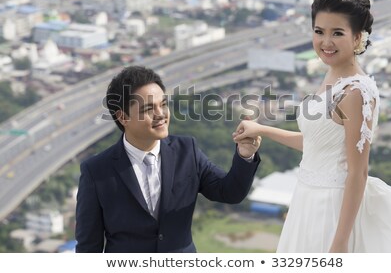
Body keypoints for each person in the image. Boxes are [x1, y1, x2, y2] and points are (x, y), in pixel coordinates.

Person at [233, 0, 391, 252]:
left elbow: (358, 173)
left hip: (333, 209)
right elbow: (318, 145)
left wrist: (340, 242)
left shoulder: (356, 91)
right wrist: (262, 129)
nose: (326, 42)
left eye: (337, 33)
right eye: (319, 32)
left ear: (358, 37)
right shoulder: (333, 75)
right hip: (306, 199)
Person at [75, 66, 261, 253]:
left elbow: (230, 192)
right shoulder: (96, 171)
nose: (161, 114)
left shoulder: (187, 151)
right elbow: (88, 247)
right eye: (149, 108)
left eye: (163, 104)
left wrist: (245, 155)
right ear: (123, 117)